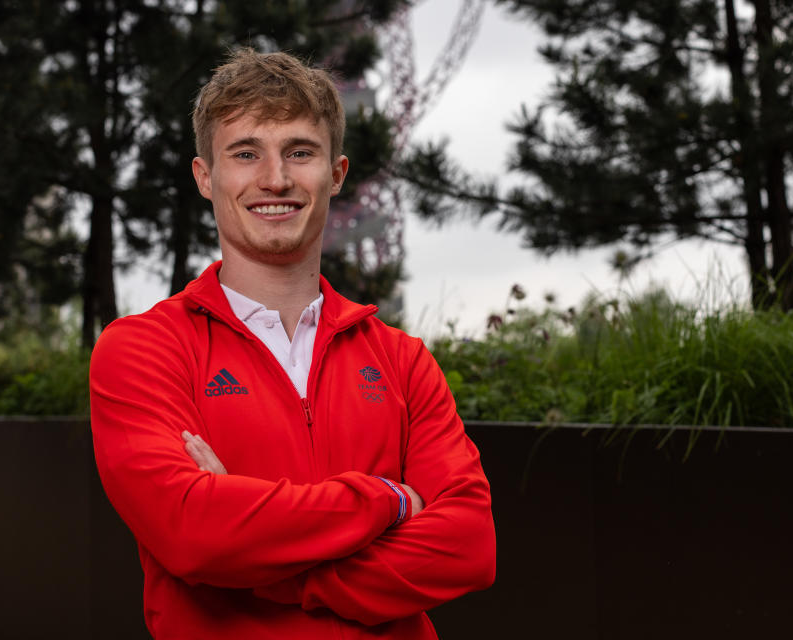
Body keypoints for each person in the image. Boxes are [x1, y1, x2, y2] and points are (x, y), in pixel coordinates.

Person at [89, 48, 496, 639]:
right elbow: (192, 534)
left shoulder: (403, 361)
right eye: (246, 153)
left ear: (336, 173)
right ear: (206, 177)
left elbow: (467, 546)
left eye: (300, 152)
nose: (275, 178)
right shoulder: (144, 350)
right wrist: (388, 500)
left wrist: (275, 570)